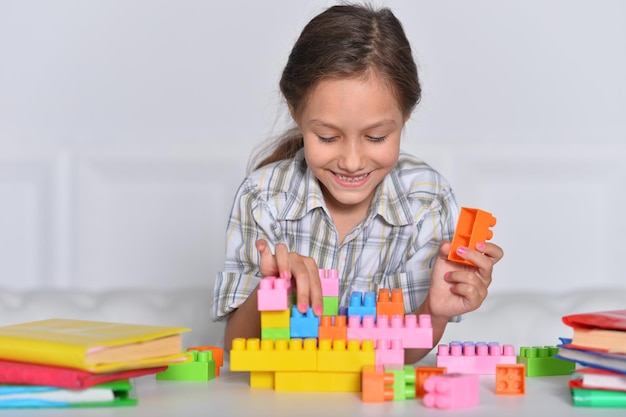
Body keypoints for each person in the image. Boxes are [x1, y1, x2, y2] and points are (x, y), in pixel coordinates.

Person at [213, 3, 504, 364]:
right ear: (294, 110)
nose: (352, 162)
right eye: (327, 137)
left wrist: (435, 312)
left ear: (405, 116)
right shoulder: (263, 197)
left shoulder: (427, 200)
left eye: (377, 137)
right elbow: (235, 349)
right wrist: (270, 290)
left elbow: (403, 354)